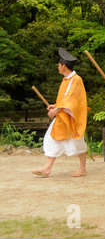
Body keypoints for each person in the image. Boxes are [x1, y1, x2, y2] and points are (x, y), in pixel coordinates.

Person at [32, 48, 88, 177]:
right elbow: (65, 99)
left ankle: (83, 169)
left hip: (72, 116)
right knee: (52, 138)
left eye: (59, 65)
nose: (58, 67)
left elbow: (72, 98)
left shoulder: (76, 79)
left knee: (77, 141)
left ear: (63, 66)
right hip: (63, 115)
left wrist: (57, 109)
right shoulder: (66, 80)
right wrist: (56, 106)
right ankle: (47, 168)